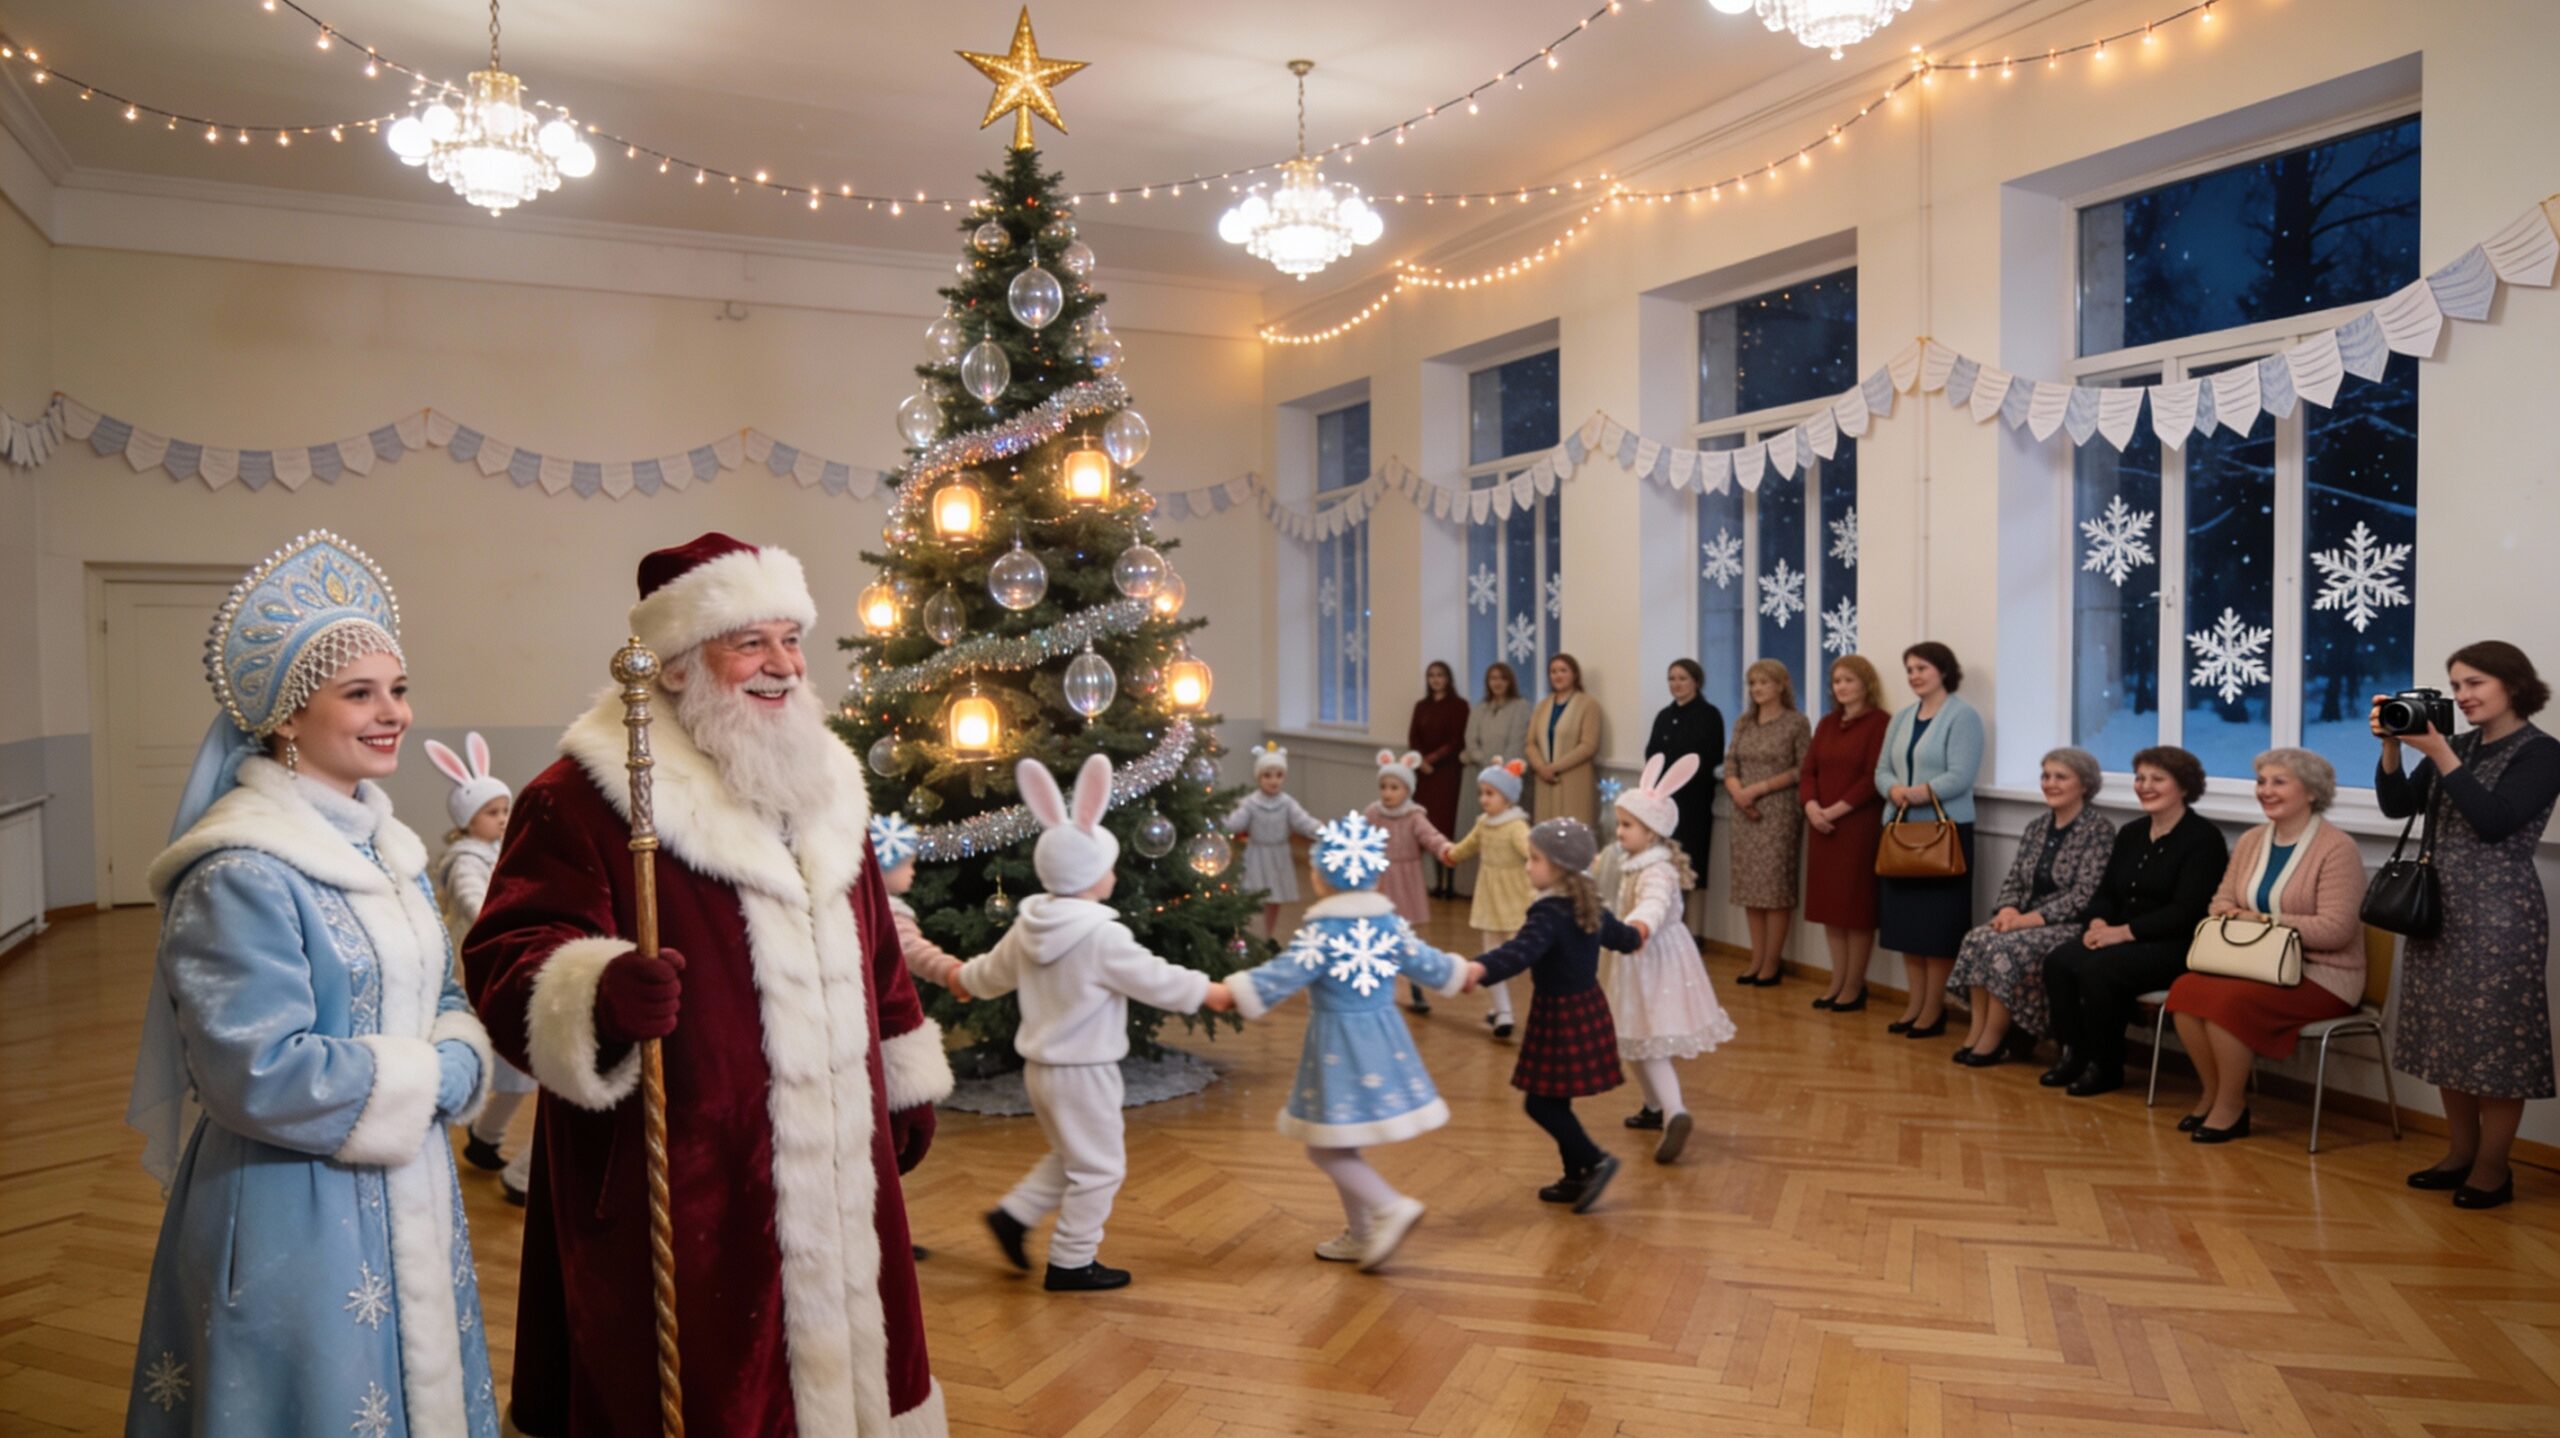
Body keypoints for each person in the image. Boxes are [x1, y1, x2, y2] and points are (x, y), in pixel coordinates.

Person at [464, 533, 952, 1435]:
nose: (782, 665)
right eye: (750, 643)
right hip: (686, 1171)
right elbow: (508, 952)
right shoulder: (586, 795)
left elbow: (877, 946)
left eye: (790, 640)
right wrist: (595, 994)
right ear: (679, 662)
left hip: (839, 1155)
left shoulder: (827, 781)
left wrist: (903, 1071)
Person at [126, 530, 502, 1437]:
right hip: (291, 1210)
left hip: (412, 1186)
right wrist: (434, 1078)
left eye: (398, 689)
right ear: (287, 717)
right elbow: (255, 1072)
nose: (393, 713)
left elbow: (444, 998)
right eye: (359, 693)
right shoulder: (241, 870)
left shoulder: (392, 851)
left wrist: (458, 1055)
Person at [960, 756, 1229, 1292]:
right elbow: (1156, 980)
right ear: (1088, 877)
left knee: (1074, 1156)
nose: (1114, 875)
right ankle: (1071, 1261)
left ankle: (1014, 1216)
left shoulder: (1029, 926)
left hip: (1041, 1070)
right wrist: (1209, 992)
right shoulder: (1102, 937)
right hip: (1085, 1071)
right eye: (1109, 866)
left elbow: (989, 975)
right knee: (1101, 1168)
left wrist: (961, 979)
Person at [1225, 812, 1474, 1270]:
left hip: (1338, 1047)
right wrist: (1462, 973)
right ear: (1376, 874)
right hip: (1385, 1039)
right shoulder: (1388, 923)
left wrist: (1236, 993)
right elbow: (1426, 962)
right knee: (1341, 1140)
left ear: (1322, 878)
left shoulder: (1323, 931)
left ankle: (1389, 1207)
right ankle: (1361, 1234)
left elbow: (1285, 973)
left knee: (1324, 1145)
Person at [2376, 641, 2560, 1210]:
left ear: (2513, 685)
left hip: (2500, 916)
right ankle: (2459, 1153)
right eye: (2456, 685)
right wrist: (2392, 747)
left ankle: (2492, 1168)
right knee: (2447, 1038)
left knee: (2496, 1047)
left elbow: (2495, 822)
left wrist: (2439, 753)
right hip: (2438, 910)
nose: (2462, 696)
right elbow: (2397, 805)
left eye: (2474, 683)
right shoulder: (2455, 744)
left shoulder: (2542, 753)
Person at [2163, 749, 2368, 1143]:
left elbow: (2336, 930)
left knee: (2228, 1005)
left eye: (2279, 782)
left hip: (2322, 975)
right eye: (2261, 782)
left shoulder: (2337, 848)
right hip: (2250, 964)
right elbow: (2219, 903)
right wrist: (2242, 918)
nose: (2265, 791)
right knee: (2185, 991)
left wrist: (2263, 923)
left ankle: (2231, 1107)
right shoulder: (2252, 840)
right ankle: (2212, 1093)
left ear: (2311, 792)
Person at [1465, 818, 1643, 1214]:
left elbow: (1520, 952)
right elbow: (1623, 938)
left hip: (1561, 1018)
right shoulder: (1588, 902)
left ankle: (1594, 1161)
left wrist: (1481, 968)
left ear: (1560, 867)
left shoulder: (1548, 914)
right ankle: (1575, 1177)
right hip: (1585, 1009)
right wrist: (1639, 935)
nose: (1528, 866)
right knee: (1556, 1100)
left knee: (1541, 1105)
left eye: (1535, 859)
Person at [2038, 746, 2226, 1099]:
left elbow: (2186, 911)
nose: (2145, 786)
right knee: (2059, 961)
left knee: (2099, 970)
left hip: (2175, 944)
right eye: (2140, 778)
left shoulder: (2203, 839)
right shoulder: (2131, 833)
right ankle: (2073, 1054)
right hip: (2119, 935)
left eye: (2157, 779)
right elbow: (2106, 892)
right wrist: (2097, 923)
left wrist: (2122, 933)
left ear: (2184, 786)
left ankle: (2106, 1066)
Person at [1945, 749, 2113, 1066]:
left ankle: (1995, 1038)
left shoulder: (2098, 830)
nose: (2050, 783)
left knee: (2004, 949)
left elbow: (2084, 895)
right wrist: (2008, 909)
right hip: (2022, 919)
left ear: (2085, 784)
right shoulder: (2037, 826)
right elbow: (2014, 879)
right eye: (2046, 776)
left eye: (2060, 777)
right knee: (1976, 939)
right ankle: (1977, 1030)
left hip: (2068, 925)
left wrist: (2028, 921)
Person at [427, 731, 537, 1205]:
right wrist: (508, 915)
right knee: (510, 1067)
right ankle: (471, 1137)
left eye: (505, 809)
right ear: (467, 819)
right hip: (479, 971)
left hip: (503, 962)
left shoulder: (497, 853)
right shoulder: (464, 860)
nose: (503, 818)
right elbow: (475, 901)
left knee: (520, 1073)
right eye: (493, 812)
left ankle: (486, 1138)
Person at [1609, 754, 1736, 1161]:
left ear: (1652, 832)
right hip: (1637, 961)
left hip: (1655, 961)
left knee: (1650, 1043)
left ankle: (1674, 1111)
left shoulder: (1657, 871)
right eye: (1620, 823)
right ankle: (1652, 1107)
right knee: (1633, 1039)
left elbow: (1655, 903)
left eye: (1627, 825)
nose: (1619, 831)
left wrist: (1639, 926)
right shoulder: (1633, 861)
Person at [1874, 642, 1985, 1038]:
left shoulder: (1963, 716)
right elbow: (1882, 770)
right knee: (1907, 928)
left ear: (1943, 671)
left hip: (1944, 835)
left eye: (1922, 668)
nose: (1914, 676)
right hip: (1901, 832)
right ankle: (1915, 1003)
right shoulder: (1902, 717)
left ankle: (1934, 1009)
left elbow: (1961, 774)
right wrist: (1894, 791)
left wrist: (1917, 792)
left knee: (1936, 929)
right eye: (1909, 670)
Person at [1801, 655, 1890, 1012]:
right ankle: (1836, 980)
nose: (1841, 687)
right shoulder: (1826, 723)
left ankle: (1854, 985)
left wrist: (1835, 810)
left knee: (1856, 909)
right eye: (1837, 681)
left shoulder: (1879, 723)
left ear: (1866, 684)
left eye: (1849, 680)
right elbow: (1808, 771)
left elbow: (1872, 777)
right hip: (1821, 826)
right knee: (1831, 910)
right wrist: (1811, 807)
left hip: (1856, 826)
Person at [1725, 659, 1811, 986]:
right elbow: (1730, 763)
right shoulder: (1744, 722)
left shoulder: (1796, 723)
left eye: (1763, 682)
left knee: (1774, 889)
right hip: (1743, 810)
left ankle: (1772, 963)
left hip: (1778, 811)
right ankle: (1756, 958)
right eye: (1752, 683)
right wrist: (1738, 792)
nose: (1757, 689)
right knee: (1751, 890)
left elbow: (1802, 769)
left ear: (1781, 684)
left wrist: (1758, 789)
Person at [1444, 759, 1534, 1039]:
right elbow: (1468, 845)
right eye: (1481, 793)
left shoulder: (1516, 826)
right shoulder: (1483, 824)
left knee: (1521, 955)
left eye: (1490, 793)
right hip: (1489, 900)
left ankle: (1523, 1005)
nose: (1483, 799)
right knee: (1491, 956)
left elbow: (1531, 851)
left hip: (1516, 899)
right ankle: (1503, 1012)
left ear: (1507, 798)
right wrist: (1452, 855)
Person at [1645, 658, 1726, 943]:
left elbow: (1710, 757)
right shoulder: (1664, 716)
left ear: (1696, 682)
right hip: (1663, 803)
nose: (1676, 684)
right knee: (1663, 863)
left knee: (1691, 864)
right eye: (1672, 678)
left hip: (1694, 802)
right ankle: (1664, 927)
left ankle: (1692, 933)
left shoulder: (1709, 715)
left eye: (1682, 678)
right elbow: (1652, 755)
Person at [1369, 749, 1455, 1014]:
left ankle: (1417, 990)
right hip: (1381, 881)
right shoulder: (1373, 813)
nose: (1387, 792)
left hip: (1407, 881)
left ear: (1407, 790)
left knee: (1408, 938)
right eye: (1384, 786)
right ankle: (1377, 986)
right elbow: (1358, 835)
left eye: (1394, 787)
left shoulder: (1414, 816)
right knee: (1379, 934)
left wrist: (1445, 849)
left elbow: (1431, 837)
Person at [1225, 743, 1323, 935]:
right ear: (1258, 777)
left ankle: (1268, 934)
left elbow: (1303, 821)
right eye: (1267, 775)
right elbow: (1235, 823)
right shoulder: (1250, 803)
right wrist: (1219, 822)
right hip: (1257, 855)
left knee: (1275, 897)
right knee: (1254, 894)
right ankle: (1253, 933)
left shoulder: (1287, 803)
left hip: (1279, 855)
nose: (1274, 780)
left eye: (1279, 775)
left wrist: (1321, 829)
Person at [1410, 660, 1472, 899]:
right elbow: (1414, 738)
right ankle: (1436, 882)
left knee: (1447, 826)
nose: (1436, 679)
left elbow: (1457, 741)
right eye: (1432, 675)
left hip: (1447, 773)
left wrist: (1432, 760)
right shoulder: (1421, 706)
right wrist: (1421, 761)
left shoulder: (1459, 706)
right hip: (1424, 775)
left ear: (1448, 679)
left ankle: (1450, 885)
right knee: (1429, 826)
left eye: (1440, 675)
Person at [1527, 653, 1602, 825]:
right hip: (1544, 780)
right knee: (1546, 832)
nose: (1557, 675)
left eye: (1563, 670)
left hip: (1574, 780)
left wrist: (1553, 768)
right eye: (1553, 671)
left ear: (1574, 674)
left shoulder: (1588, 704)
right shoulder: (1542, 705)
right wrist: (1541, 767)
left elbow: (1589, 745)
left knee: (1572, 830)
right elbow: (1531, 743)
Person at [1464, 661, 1534, 813]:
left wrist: (1502, 771)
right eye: (1493, 678)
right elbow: (1471, 740)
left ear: (1510, 681)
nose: (1497, 683)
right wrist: (1485, 762)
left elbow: (1517, 741)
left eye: (1503, 678)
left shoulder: (1520, 706)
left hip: (1509, 775)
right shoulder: (1480, 708)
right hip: (1483, 772)